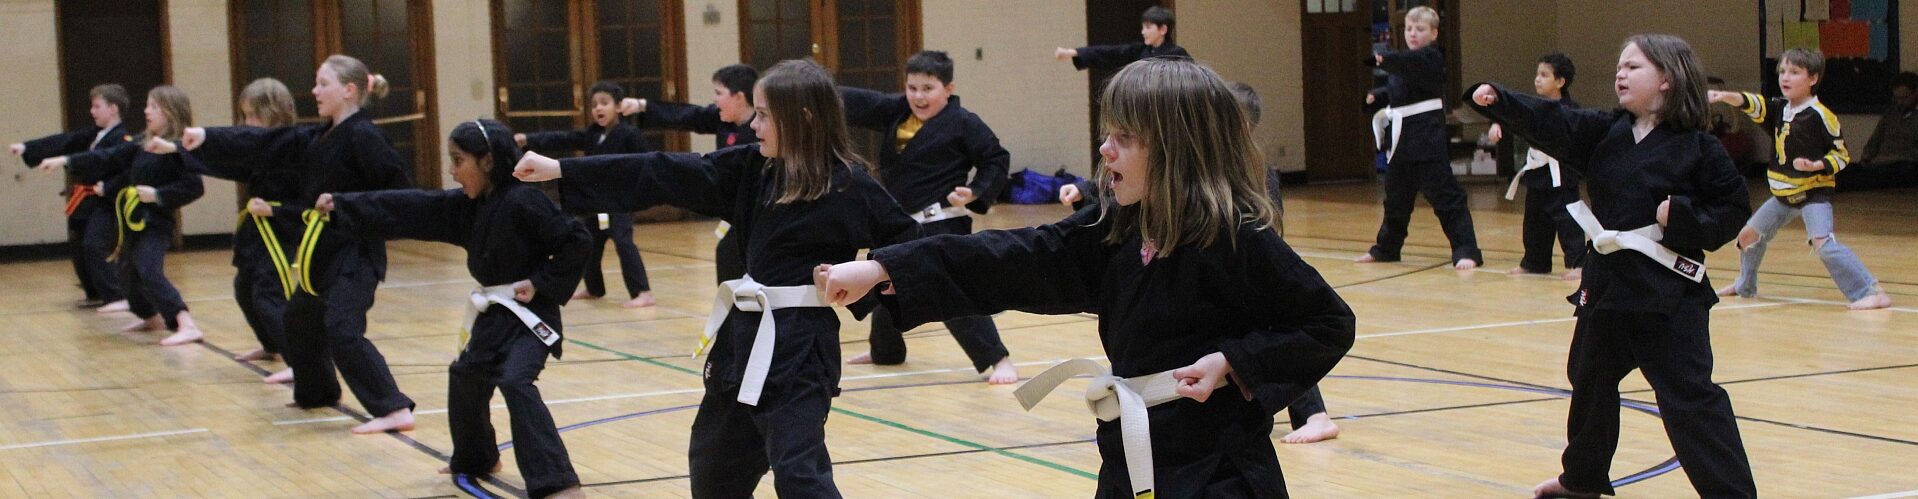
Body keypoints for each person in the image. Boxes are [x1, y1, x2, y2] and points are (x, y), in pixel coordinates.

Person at [819, 59, 1355, 498]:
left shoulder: (1235, 239)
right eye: (1107, 135)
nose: (1105, 150)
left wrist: (1233, 364)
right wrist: (884, 267)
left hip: (1220, 477)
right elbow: (1015, 256)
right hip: (1129, 460)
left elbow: (1327, 323)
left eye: (1124, 137)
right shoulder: (1118, 230)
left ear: (1175, 149)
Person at [514, 59, 918, 498]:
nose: (755, 125)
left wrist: (863, 280)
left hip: (801, 351)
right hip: (741, 343)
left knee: (801, 476)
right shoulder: (752, 168)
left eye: (764, 116)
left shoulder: (850, 185)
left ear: (802, 120)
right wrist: (563, 170)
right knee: (714, 470)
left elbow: (910, 246)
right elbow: (663, 170)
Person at [1467, 34, 1758, 498]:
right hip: (1608, 286)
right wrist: (1500, 101)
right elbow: (1552, 120)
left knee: (1689, 398)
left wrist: (1680, 216)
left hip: (1668, 296)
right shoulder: (1605, 132)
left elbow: (1731, 212)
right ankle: (1581, 479)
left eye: (1634, 67)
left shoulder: (1700, 149)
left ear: (1667, 79)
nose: (1620, 74)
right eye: (1619, 67)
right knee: (1589, 378)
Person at [318, 120, 588, 499]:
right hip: (495, 314)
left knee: (515, 381)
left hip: (532, 315)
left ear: (488, 162)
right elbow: (412, 207)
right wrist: (344, 206)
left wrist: (542, 281)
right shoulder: (470, 207)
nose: (452, 170)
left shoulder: (526, 200)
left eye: (459, 161)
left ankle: (559, 482)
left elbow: (576, 240)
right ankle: (477, 457)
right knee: (466, 375)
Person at [177, 54, 417, 434]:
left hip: (355, 254)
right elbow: (267, 142)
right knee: (298, 321)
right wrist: (207, 138)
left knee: (341, 328)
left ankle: (394, 407)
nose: (314, 90)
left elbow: (401, 192)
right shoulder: (318, 136)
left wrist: (347, 205)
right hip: (322, 253)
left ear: (349, 90)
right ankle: (317, 392)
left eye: (323, 84)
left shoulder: (366, 136)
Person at [837, 50, 1020, 384]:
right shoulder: (898, 113)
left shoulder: (963, 122)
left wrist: (977, 191)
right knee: (883, 280)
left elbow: (996, 157)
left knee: (950, 290)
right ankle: (886, 351)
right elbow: (862, 102)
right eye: (912, 87)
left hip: (942, 221)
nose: (918, 96)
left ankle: (998, 358)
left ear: (947, 89)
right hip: (900, 221)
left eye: (928, 88)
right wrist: (816, 89)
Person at [1709, 49, 1892, 310]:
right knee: (1749, 236)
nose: (1786, 77)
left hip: (1813, 194)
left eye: (1795, 72)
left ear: (1813, 78)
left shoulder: (1821, 115)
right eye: (1783, 71)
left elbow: (1841, 155)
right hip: (1784, 196)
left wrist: (1817, 165)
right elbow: (1755, 104)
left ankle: (1870, 291)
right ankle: (1745, 285)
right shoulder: (1779, 109)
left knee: (1823, 245)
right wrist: (1727, 96)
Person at [1358, 6, 1482, 270]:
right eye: (1410, 29)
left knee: (1447, 199)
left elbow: (1410, 66)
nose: (1413, 34)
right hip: (1401, 143)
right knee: (1396, 201)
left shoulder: (1431, 58)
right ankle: (1387, 248)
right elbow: (1397, 93)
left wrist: (1384, 59)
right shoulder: (1404, 62)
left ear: (1434, 33)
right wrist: (1377, 97)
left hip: (1427, 142)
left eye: (1420, 29)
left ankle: (1466, 249)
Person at [196, 78, 303, 383]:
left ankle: (300, 361)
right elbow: (229, 163)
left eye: (251, 116)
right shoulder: (258, 148)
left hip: (280, 231)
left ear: (273, 112)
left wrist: (276, 211)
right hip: (255, 232)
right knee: (244, 289)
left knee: (266, 294)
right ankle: (272, 346)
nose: (246, 123)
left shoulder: (293, 147)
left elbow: (307, 204)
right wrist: (182, 155)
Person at [516, 80, 657, 308]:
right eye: (594, 105)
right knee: (588, 241)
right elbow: (564, 138)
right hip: (595, 201)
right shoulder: (593, 134)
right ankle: (594, 288)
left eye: (604, 103)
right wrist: (529, 140)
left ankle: (643, 292)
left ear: (619, 107)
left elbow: (645, 164)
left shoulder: (630, 135)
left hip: (620, 201)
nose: (598, 109)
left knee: (623, 241)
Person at [618, 64, 761, 284]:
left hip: (758, 210)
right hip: (735, 210)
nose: (715, 100)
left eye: (719, 93)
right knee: (729, 254)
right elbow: (688, 115)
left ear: (739, 97)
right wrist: (642, 105)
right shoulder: (722, 119)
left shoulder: (762, 129)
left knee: (733, 254)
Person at [10, 84, 132, 312]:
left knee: (94, 244)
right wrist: (27, 148)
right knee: (79, 245)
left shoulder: (123, 139)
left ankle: (116, 295)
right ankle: (94, 291)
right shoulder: (94, 134)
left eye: (97, 106)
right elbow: (64, 140)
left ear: (113, 108)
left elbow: (108, 164)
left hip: (107, 200)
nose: (92, 111)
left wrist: (106, 186)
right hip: (86, 199)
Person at [1488, 53, 1587, 280]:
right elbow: (1514, 114)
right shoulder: (1534, 106)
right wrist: (1498, 123)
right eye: (1537, 74)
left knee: (1567, 220)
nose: (1537, 79)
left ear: (1560, 81)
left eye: (1544, 75)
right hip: (1537, 171)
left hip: (1561, 172)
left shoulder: (1571, 110)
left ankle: (1578, 264)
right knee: (1534, 219)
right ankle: (1535, 262)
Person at [1837, 71, 1918, 190]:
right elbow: (1874, 142)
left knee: (1892, 173)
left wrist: (1893, 158)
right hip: (1879, 163)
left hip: (1904, 165)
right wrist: (1867, 157)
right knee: (1846, 169)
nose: (1900, 102)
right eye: (1897, 98)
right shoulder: (1891, 114)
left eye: (1904, 98)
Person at [1053, 6, 1191, 69]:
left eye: (1148, 28)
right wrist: (1073, 52)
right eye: (1143, 27)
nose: (1143, 32)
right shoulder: (1140, 50)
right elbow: (1111, 53)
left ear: (1163, 29)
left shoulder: (1178, 54)